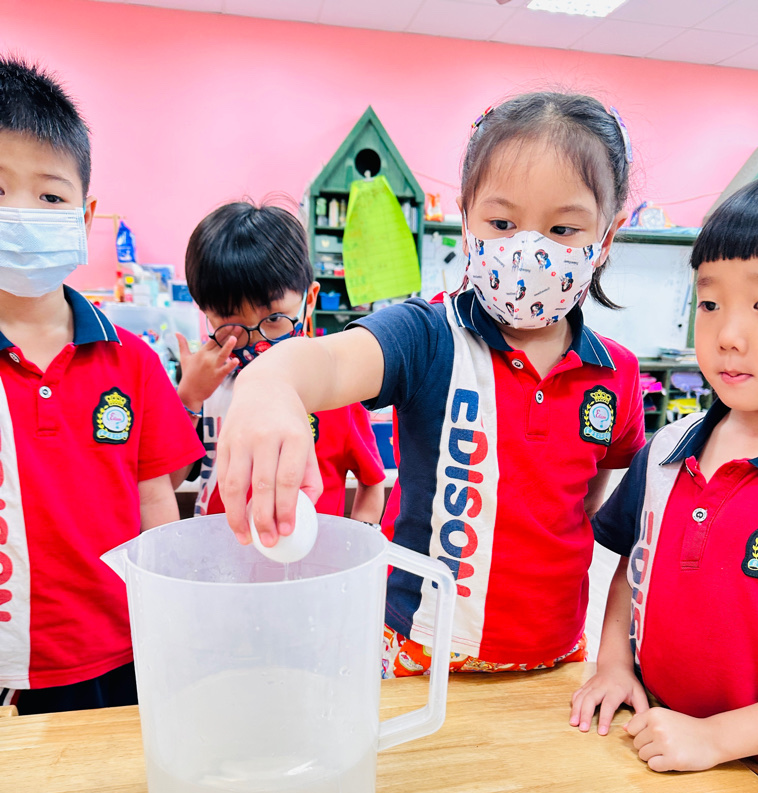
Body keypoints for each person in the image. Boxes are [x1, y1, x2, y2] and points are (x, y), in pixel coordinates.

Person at [216, 93, 646, 675]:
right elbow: (329, 363)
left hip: (556, 654)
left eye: (563, 228)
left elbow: (586, 496)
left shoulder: (616, 373)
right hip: (420, 647)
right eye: (501, 223)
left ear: (606, 237)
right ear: (467, 220)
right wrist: (269, 383)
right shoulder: (426, 335)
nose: (528, 250)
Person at [0, 57, 204, 713]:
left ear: (84, 218)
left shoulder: (132, 361)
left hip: (118, 652)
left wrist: (171, 616)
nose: (21, 213)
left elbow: (155, 500)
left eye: (49, 197)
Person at [570, 175, 758, 772]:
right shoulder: (664, 452)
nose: (728, 336)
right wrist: (613, 664)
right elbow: (632, 568)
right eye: (710, 304)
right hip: (654, 741)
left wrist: (716, 739)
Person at [174, 201, 386, 524]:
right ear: (205, 312)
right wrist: (188, 398)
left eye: (274, 318)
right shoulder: (205, 385)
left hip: (312, 555)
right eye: (230, 322)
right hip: (219, 551)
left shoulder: (335, 393)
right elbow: (168, 481)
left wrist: (361, 539)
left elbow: (372, 480)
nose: (254, 339)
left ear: (309, 300)